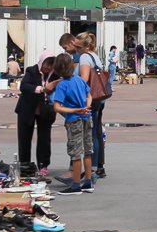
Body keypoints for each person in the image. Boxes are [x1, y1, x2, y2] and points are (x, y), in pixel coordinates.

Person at [51, 53, 94, 195]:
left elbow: (57, 107)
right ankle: (88, 182)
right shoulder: (80, 80)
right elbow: (89, 96)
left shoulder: (62, 84)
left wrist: (75, 110)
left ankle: (75, 185)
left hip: (74, 119)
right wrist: (86, 107)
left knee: (75, 153)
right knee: (87, 151)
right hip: (87, 117)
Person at [15, 51, 59, 176]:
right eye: (46, 64)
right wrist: (41, 89)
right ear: (41, 62)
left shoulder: (55, 75)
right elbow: (24, 86)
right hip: (27, 109)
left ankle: (43, 165)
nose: (48, 67)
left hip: (46, 111)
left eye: (51, 65)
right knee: (24, 138)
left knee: (44, 138)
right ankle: (25, 164)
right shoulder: (32, 71)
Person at [75, 32, 108, 178]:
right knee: (97, 132)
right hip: (99, 98)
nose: (77, 50)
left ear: (86, 46)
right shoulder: (95, 56)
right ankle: (99, 166)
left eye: (78, 47)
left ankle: (92, 168)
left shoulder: (84, 57)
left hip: (90, 99)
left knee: (91, 133)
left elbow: (84, 79)